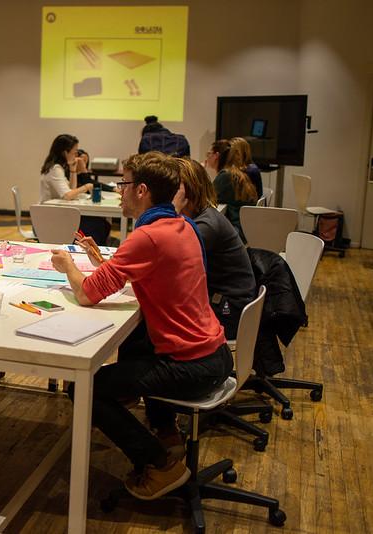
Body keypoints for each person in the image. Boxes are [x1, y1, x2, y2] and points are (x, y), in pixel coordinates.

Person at [50, 151, 232, 501]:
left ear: (142, 190)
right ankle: (167, 435)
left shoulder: (146, 236)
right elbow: (142, 275)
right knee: (136, 344)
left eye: (124, 184)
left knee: (86, 388)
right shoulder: (183, 225)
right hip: (215, 354)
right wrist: (105, 263)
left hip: (191, 366)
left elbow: (88, 293)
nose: (120, 191)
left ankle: (161, 464)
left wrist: (67, 267)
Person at [172, 158, 256, 339]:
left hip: (228, 312)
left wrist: (170, 210)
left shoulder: (206, 225)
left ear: (185, 192)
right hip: (224, 302)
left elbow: (168, 258)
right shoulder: (202, 216)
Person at [40, 134, 111, 245]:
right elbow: (68, 195)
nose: (76, 155)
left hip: (58, 213)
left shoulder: (58, 168)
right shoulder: (55, 169)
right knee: (98, 225)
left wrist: (73, 170)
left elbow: (71, 189)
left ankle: (95, 253)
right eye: (74, 152)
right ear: (65, 153)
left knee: (101, 223)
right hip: (50, 218)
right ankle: (91, 253)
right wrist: (86, 187)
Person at [213, 138, 258, 241]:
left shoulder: (226, 176)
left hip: (236, 231)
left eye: (211, 154)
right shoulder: (240, 175)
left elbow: (208, 200)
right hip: (247, 228)